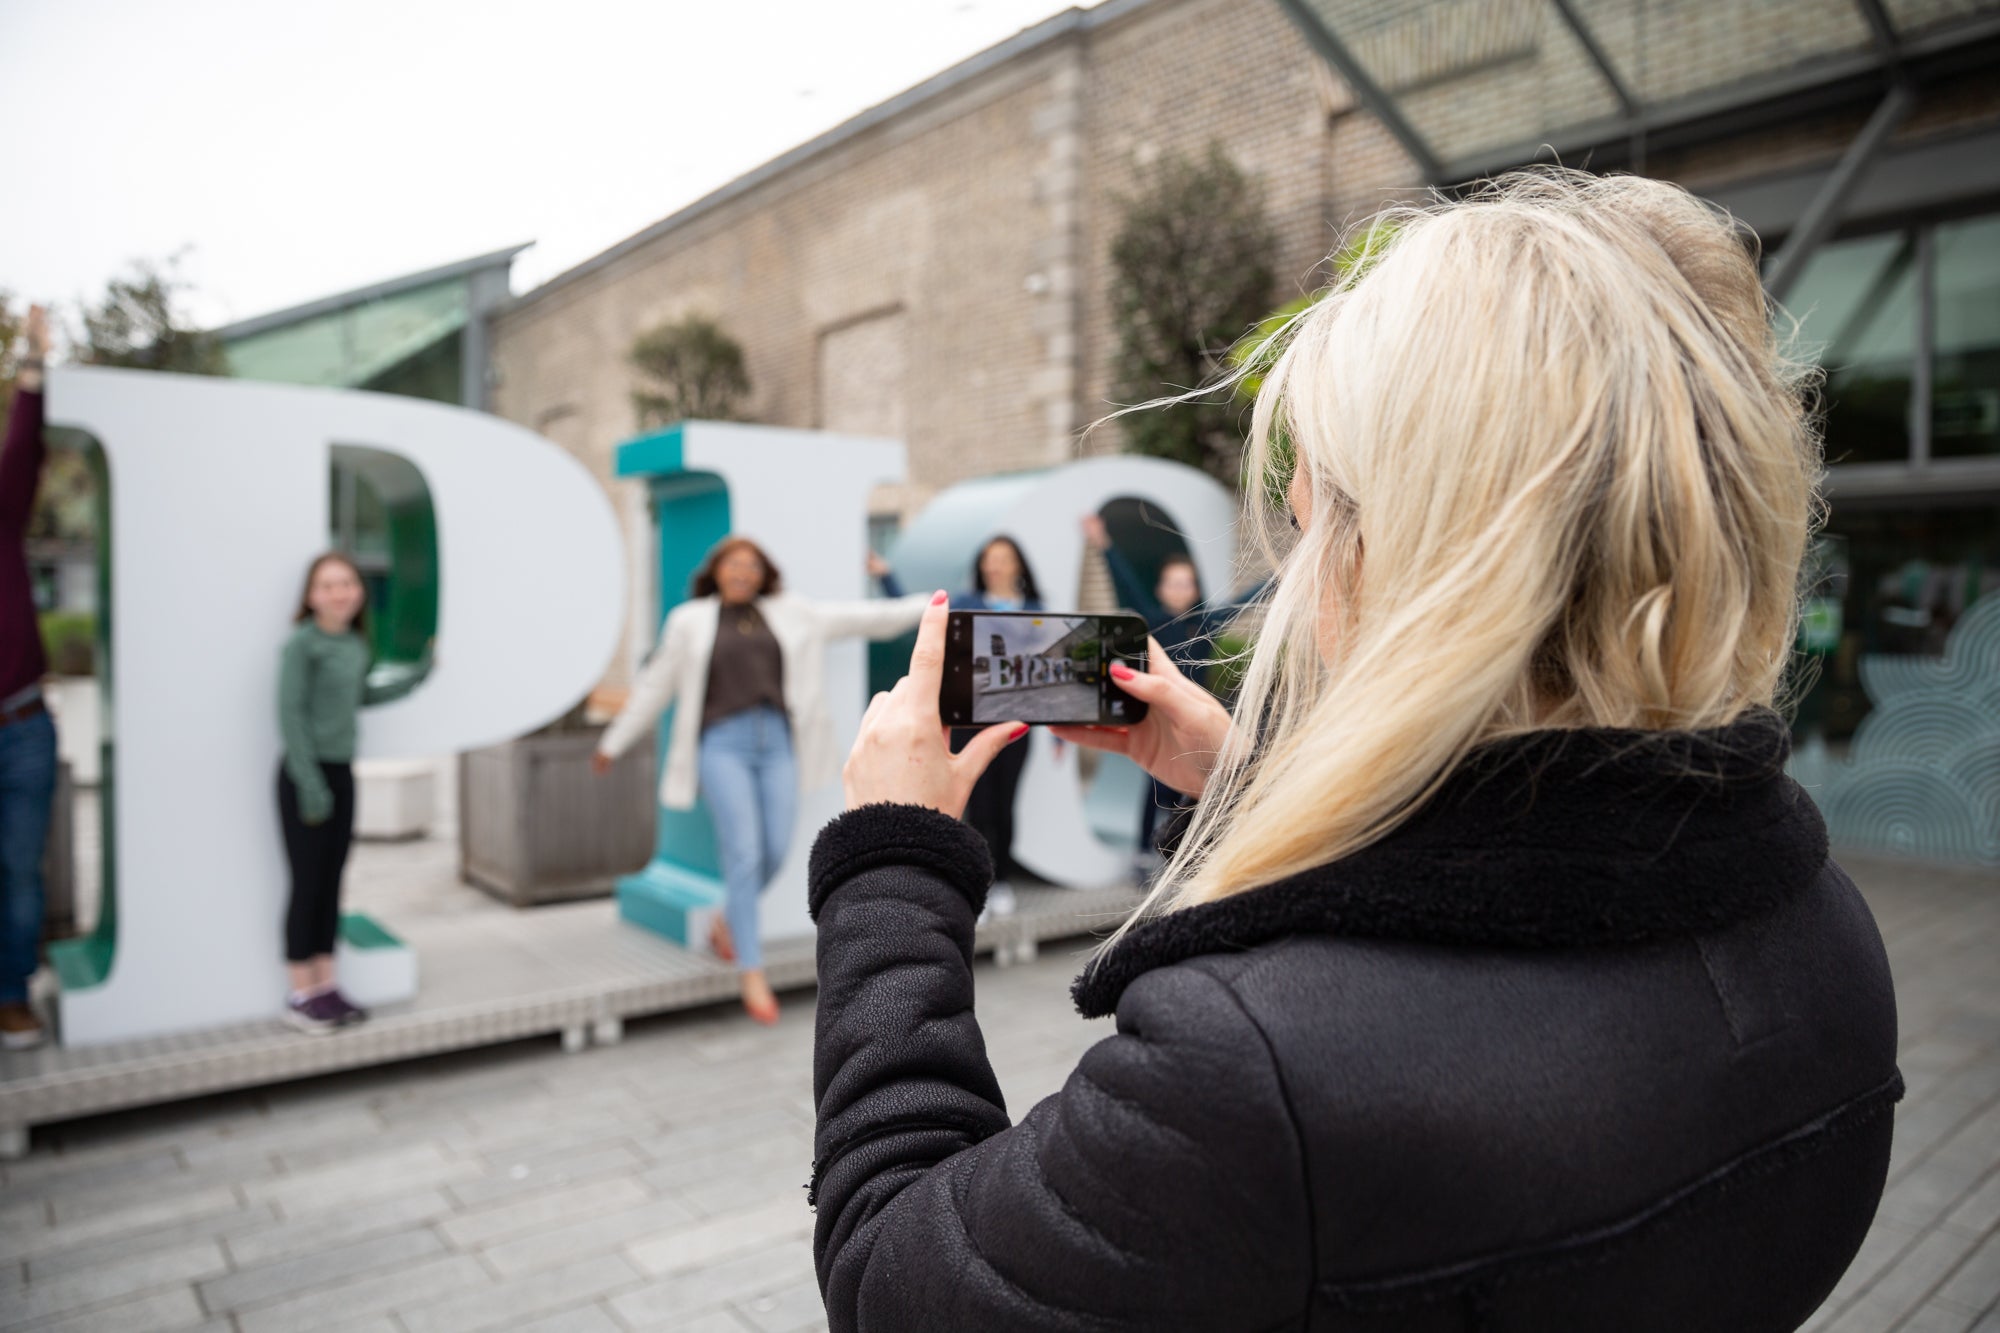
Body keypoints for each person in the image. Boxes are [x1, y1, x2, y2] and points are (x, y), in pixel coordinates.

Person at [805, 172, 1899, 1330]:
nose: (1293, 560)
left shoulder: (1244, 1069)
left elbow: (893, 1274)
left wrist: (894, 867)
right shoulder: (1825, 933)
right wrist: (1240, 780)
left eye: (1313, 505)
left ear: (1407, 553)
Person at [596, 537, 928, 1025]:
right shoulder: (690, 621)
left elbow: (868, 618)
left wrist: (933, 605)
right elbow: (655, 685)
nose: (743, 573)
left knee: (774, 848)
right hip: (721, 745)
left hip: (777, 743)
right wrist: (614, 742)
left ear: (763, 573)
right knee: (744, 852)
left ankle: (726, 919)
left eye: (752, 566)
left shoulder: (793, 612)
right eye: (734, 564)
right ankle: (751, 969)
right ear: (717, 570)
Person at [276, 553, 420, 1034]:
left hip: (342, 773)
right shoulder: (302, 645)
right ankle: (301, 993)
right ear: (311, 596)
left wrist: (414, 677)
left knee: (333, 882)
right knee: (307, 883)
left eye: (347, 583)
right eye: (327, 585)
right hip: (305, 775)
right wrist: (310, 785)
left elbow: (360, 695)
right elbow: (290, 716)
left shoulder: (355, 644)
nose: (339, 593)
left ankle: (328, 986)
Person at [874, 536, 1043, 918]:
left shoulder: (1035, 611)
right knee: (978, 807)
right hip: (972, 721)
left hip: (1016, 724)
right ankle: (979, 885)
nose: (995, 565)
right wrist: (887, 578)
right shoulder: (966, 604)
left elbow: (1045, 675)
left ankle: (1002, 882)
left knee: (1005, 805)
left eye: (1003, 558)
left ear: (1018, 565)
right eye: (989, 558)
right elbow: (927, 624)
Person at [1080, 513, 1261, 865]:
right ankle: (1143, 852)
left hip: (1193, 717)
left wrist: (1283, 575)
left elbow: (1245, 601)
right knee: (1155, 787)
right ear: (1162, 589)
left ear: (1194, 589)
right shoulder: (1155, 619)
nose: (1179, 590)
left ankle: (1193, 850)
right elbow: (1127, 583)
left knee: (1192, 786)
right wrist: (1103, 543)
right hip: (1162, 718)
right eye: (1172, 583)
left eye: (1185, 584)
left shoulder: (1206, 622)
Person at [0, 306, 55, 1050]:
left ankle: (11, 995)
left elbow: (21, 446)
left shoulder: (1, 517)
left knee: (19, 874)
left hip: (23, 727)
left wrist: (30, 363)